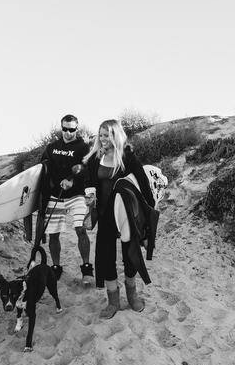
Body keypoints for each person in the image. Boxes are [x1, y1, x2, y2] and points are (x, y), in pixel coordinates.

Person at [82, 119, 156, 319]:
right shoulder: (96, 158)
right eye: (101, 135)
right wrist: (89, 194)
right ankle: (113, 301)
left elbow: (144, 186)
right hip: (105, 214)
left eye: (107, 135)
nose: (103, 139)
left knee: (130, 254)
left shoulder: (128, 157)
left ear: (116, 135)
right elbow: (88, 182)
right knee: (106, 257)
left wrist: (150, 213)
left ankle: (132, 295)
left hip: (127, 214)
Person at [38, 114, 93, 284]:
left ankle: (86, 268)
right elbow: (42, 168)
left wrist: (72, 179)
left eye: (72, 129)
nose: (68, 133)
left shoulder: (83, 148)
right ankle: (56, 267)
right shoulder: (51, 147)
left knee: (80, 229)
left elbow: (88, 169)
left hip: (77, 194)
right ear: (61, 128)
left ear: (77, 128)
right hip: (56, 195)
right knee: (53, 234)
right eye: (65, 129)